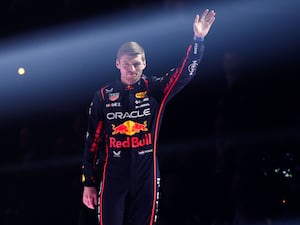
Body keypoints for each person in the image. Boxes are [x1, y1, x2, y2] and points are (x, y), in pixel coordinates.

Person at [81, 8, 216, 225]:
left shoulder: (155, 88)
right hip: (113, 172)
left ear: (144, 63)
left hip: (147, 172)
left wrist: (198, 39)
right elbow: (92, 141)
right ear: (117, 64)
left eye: (136, 64)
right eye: (126, 64)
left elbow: (184, 73)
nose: (131, 69)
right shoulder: (103, 95)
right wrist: (88, 182)